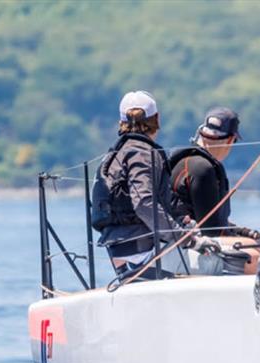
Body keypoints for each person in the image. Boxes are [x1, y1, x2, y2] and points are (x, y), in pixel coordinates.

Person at [91, 90, 219, 279]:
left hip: (120, 252)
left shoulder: (114, 156)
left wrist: (181, 226)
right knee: (219, 262)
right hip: (145, 253)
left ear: (121, 123)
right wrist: (189, 240)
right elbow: (144, 203)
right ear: (156, 119)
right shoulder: (143, 154)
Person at [169, 107, 260, 273]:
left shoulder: (190, 161)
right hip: (190, 247)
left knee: (257, 244)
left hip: (180, 243)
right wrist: (248, 240)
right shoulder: (203, 168)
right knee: (258, 254)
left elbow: (208, 219)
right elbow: (212, 231)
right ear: (231, 140)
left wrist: (244, 232)